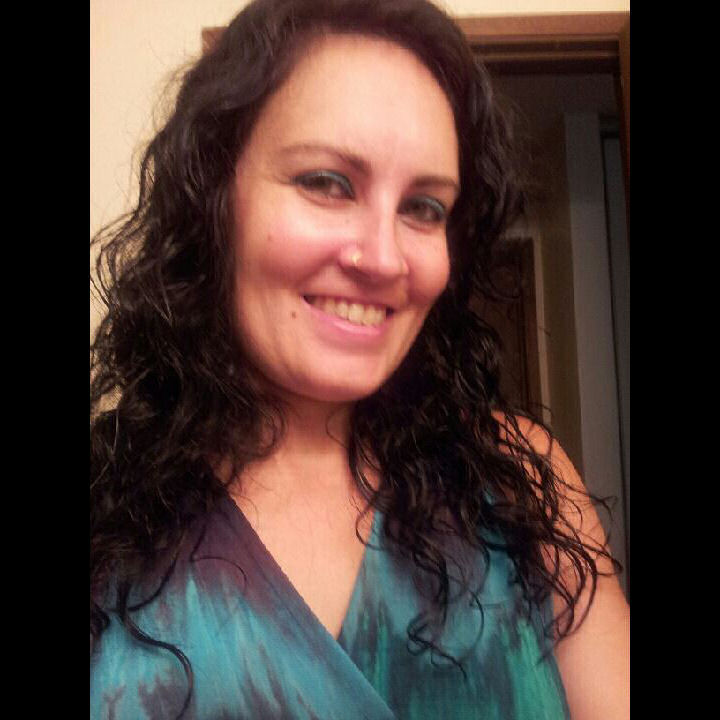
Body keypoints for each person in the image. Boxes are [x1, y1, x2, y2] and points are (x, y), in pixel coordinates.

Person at [90, 0, 630, 718]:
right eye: (327, 182)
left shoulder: (523, 482)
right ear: (213, 199)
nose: (382, 258)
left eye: (424, 207)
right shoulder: (103, 506)